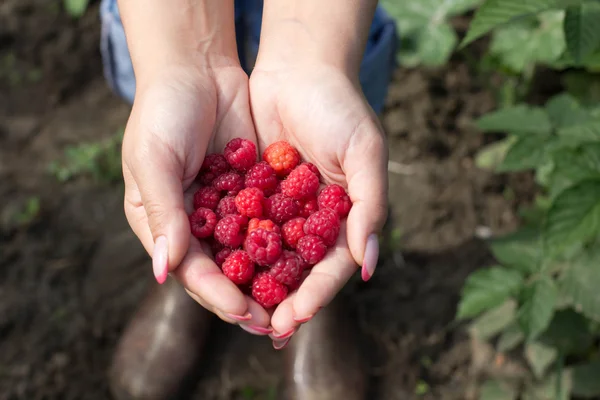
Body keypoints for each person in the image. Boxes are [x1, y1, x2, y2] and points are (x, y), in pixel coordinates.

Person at [99, 0, 398, 399]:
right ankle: (183, 254)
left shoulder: (278, 203)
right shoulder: (240, 202)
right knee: (164, 101)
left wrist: (315, 61)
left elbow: (285, 211)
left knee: (344, 58)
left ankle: (315, 299)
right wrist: (179, 64)